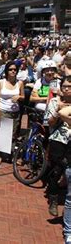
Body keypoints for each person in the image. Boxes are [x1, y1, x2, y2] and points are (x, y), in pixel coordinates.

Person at [44, 76, 71, 217]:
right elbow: (49, 122)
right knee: (56, 170)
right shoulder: (55, 101)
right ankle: (53, 199)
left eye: (69, 86)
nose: (66, 89)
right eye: (64, 86)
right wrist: (58, 111)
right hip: (58, 139)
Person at [0, 61, 25, 165]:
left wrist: (19, 97)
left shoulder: (19, 83)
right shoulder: (1, 82)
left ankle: (10, 154)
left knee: (13, 134)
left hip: (15, 112)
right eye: (10, 69)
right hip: (3, 111)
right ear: (6, 71)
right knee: (2, 134)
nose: (13, 71)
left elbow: (23, 96)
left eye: (15, 70)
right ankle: (0, 155)